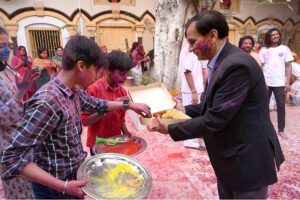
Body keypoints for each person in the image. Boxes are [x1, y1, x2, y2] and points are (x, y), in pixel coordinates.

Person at [149, 11, 284, 199]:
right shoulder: (219, 61)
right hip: (230, 158)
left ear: (212, 35)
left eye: (193, 41)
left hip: (247, 160)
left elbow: (215, 119)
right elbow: (211, 105)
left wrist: (172, 127)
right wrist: (183, 110)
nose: (189, 49)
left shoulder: (237, 65)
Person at [0, 35, 151, 199]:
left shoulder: (72, 91)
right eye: (95, 70)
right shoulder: (47, 102)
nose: (96, 76)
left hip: (72, 177)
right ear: (81, 66)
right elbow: (11, 157)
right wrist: (64, 186)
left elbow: (97, 104)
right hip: (55, 189)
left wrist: (128, 105)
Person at [0, 26, 39, 199]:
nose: (7, 50)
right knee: (18, 188)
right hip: (7, 144)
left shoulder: (6, 70)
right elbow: (2, 117)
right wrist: (20, 92)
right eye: (2, 45)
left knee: (31, 184)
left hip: (21, 138)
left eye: (8, 45)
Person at [81, 50, 134, 156]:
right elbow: (85, 121)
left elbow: (121, 118)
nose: (125, 78)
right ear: (109, 70)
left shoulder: (122, 91)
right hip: (98, 144)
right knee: (100, 172)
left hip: (116, 143)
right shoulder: (93, 90)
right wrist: (110, 107)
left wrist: (126, 132)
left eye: (127, 74)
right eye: (122, 74)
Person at [259, 28, 294, 139]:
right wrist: (262, 82)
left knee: (281, 106)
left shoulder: (285, 49)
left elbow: (288, 66)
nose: (275, 36)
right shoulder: (263, 50)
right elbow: (261, 66)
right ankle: (262, 128)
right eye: (273, 34)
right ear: (269, 37)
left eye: (277, 34)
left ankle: (281, 130)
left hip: (280, 82)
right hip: (266, 82)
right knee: (263, 106)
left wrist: (287, 82)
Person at [179, 44, 208, 149]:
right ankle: (189, 141)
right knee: (190, 116)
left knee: (194, 115)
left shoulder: (191, 48)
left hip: (195, 88)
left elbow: (203, 70)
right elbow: (187, 72)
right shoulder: (190, 50)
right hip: (191, 89)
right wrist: (194, 92)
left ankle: (193, 138)